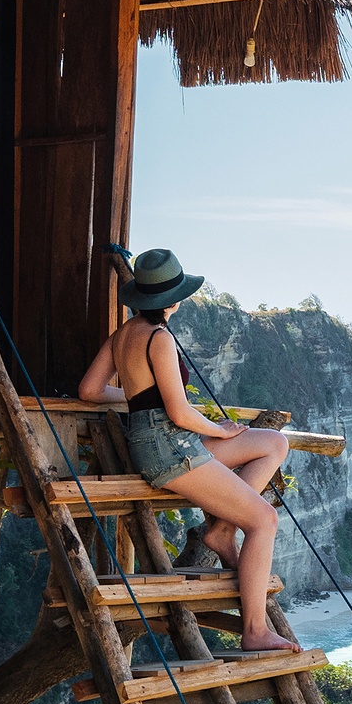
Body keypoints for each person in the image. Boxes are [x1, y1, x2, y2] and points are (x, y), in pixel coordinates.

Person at [78, 248, 298, 652]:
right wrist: (222, 431)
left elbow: (89, 390)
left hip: (163, 442)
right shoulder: (159, 338)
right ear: (174, 299)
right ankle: (254, 630)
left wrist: (137, 399)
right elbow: (179, 413)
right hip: (169, 450)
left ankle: (221, 529)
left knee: (273, 442)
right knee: (265, 520)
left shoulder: (123, 335)